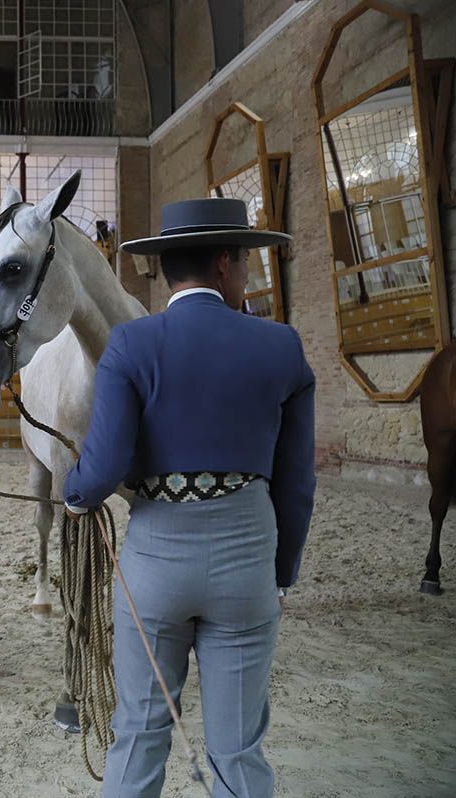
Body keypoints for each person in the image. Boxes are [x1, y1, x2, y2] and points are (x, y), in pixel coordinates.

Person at [63, 198, 315, 797]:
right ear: (225, 263)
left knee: (140, 735)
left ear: (170, 268)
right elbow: (297, 482)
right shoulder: (282, 346)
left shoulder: (131, 346)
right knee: (238, 750)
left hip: (155, 565)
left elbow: (102, 470)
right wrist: (279, 573)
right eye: (247, 261)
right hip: (247, 563)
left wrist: (74, 497)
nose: (248, 272)